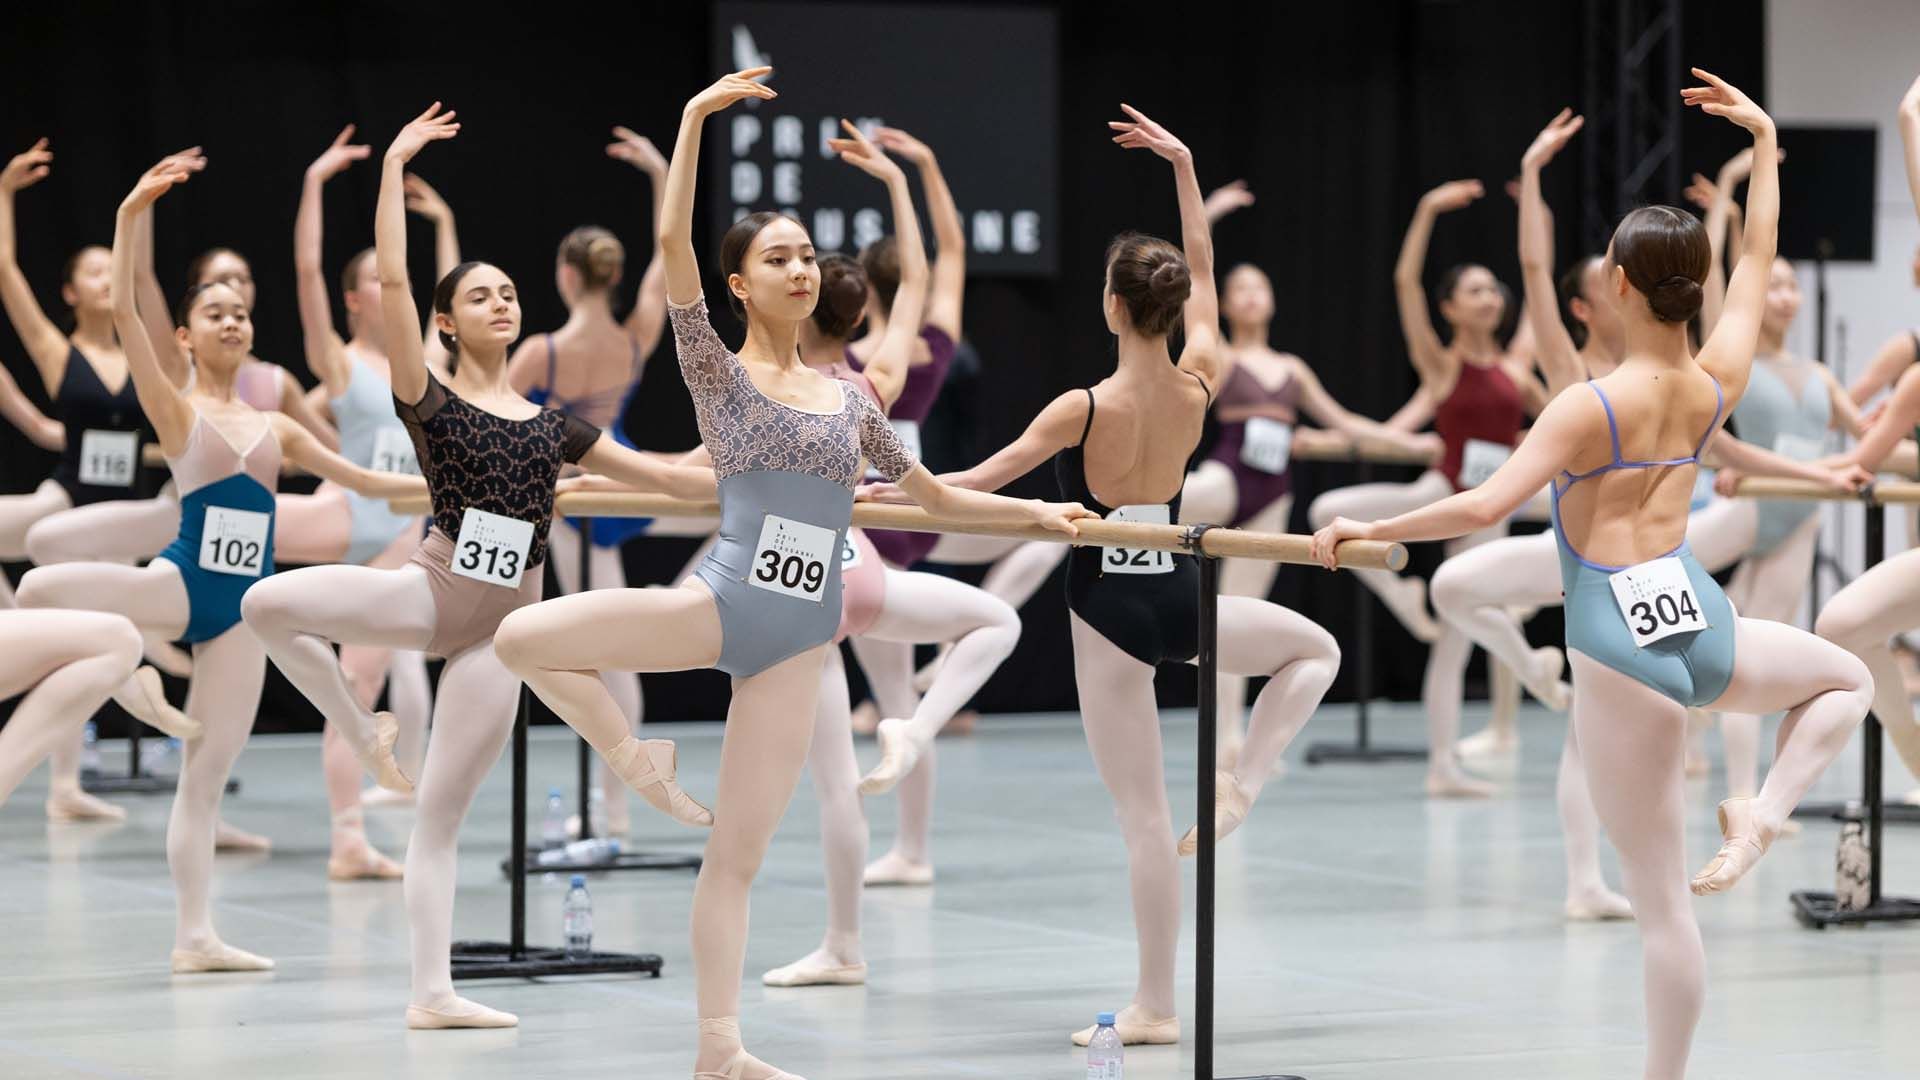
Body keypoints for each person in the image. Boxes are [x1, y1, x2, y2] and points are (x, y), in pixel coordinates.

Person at [491, 70, 1089, 1078]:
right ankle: (634, 762)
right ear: (739, 285)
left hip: (803, 638)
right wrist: (690, 122)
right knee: (518, 637)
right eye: (778, 257)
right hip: (721, 606)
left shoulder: (850, 399)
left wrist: (1038, 512)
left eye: (808, 255)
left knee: (741, 857)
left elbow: (933, 497)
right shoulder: (714, 369)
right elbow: (675, 243)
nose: (801, 269)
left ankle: (718, 1050)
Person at [1313, 71, 1870, 1079]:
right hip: (1696, 611)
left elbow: (1482, 512)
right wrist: (1767, 144)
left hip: (1616, 634)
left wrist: (1367, 524)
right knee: (1848, 679)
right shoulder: (1716, 382)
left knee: (1660, 908)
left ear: (1615, 286)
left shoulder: (1583, 406)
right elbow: (1759, 261)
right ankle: (1769, 808)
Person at [240, 103, 717, 1029]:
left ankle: (432, 996)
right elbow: (392, 278)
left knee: (443, 820)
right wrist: (391, 172)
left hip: (504, 635)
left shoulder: (554, 426)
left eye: (507, 292)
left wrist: (750, 461)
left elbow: (664, 475)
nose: (501, 303)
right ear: (445, 324)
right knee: (267, 604)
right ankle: (360, 725)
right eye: (480, 296)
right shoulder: (425, 395)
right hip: (428, 593)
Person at [877, 104, 1340, 1048]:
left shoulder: (1081, 407)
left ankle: (1157, 1004)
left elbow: (970, 486)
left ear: (1113, 307)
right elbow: (1203, 270)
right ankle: (1245, 778)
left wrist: (883, 477)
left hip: (1107, 610)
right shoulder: (1200, 383)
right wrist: (1183, 165)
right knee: (1315, 650)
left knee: (1143, 819)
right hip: (1183, 589)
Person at [17, 150, 427, 973]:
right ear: (187, 337)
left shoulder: (277, 426)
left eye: (242, 313)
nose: (233, 322)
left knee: (204, 780)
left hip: (244, 612)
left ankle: (194, 937)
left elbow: (371, 481)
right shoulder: (176, 409)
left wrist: (465, 483)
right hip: (178, 586)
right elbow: (131, 316)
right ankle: (127, 673)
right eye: (215, 313)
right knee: (35, 584)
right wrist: (134, 211)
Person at [1307, 173, 1552, 796]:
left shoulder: (1517, 368)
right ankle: (1404, 600)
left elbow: (1538, 275)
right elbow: (1403, 284)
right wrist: (1423, 210)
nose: (1489, 297)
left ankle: (1443, 765)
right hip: (1439, 492)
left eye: (1491, 289)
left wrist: (1539, 211)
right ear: (1451, 308)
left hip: (1486, 507)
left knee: (1456, 638)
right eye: (1473, 290)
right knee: (1329, 506)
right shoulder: (1443, 365)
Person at [1183, 179, 1437, 771]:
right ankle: (1120, 517)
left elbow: (1346, 422)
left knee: (1232, 617)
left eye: (1258, 288)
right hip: (1226, 474)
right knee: (1180, 501)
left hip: (1273, 494)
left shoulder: (1291, 368)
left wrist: (1409, 442)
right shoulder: (1222, 356)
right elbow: (1196, 281)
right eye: (1239, 289)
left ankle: (1227, 739)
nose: (1248, 296)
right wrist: (1211, 217)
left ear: (1272, 301)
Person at [0, 139, 186, 822]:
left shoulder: (148, 352)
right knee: (51, 571)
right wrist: (5, 193)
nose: (108, 281)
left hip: (127, 513)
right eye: (94, 273)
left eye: (116, 272)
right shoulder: (58, 351)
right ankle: (64, 782)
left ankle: (65, 784)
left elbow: (147, 288)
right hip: (69, 494)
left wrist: (142, 213)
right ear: (70, 291)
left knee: (96, 632)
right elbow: (4, 270)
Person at [505, 124, 671, 836]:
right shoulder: (634, 339)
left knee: (592, 647)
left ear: (566, 275)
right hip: (620, 482)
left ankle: (611, 803)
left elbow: (496, 417)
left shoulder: (544, 351)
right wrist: (664, 175)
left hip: (570, 493)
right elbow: (671, 263)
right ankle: (615, 803)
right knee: (613, 640)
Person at [284, 124, 438, 876]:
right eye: (378, 279)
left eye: (394, 278)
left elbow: (441, 294)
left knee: (357, 684)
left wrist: (437, 225)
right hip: (342, 511)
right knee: (220, 523)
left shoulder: (421, 360)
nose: (391, 286)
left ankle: (348, 837)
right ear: (354, 299)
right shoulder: (339, 362)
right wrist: (314, 184)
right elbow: (306, 274)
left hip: (395, 534)